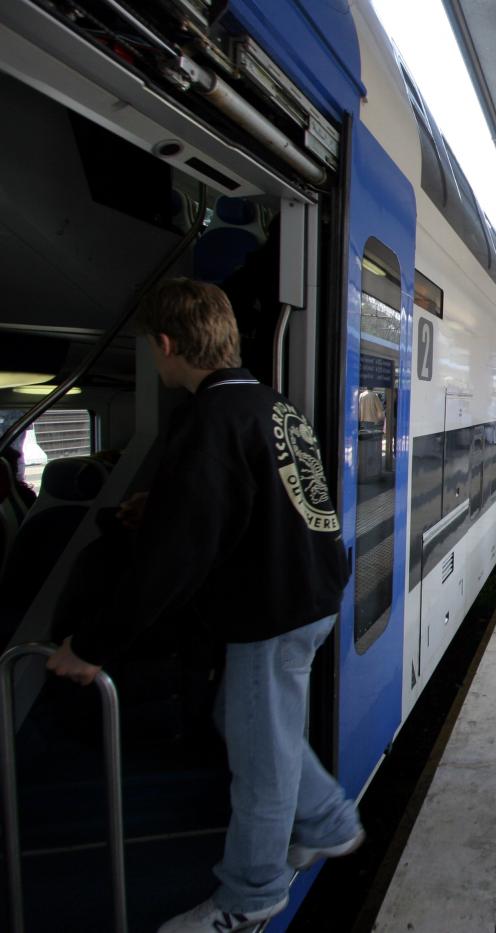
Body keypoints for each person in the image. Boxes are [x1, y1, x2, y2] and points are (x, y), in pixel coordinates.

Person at [46, 279, 362, 933]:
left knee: (259, 753)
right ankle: (328, 819)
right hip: (314, 591)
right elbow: (262, 498)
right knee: (248, 720)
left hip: (271, 609)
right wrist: (160, 507)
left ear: (166, 346)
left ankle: (251, 894)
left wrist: (91, 645)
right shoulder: (273, 406)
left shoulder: (206, 420)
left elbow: (171, 562)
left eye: (151, 352)